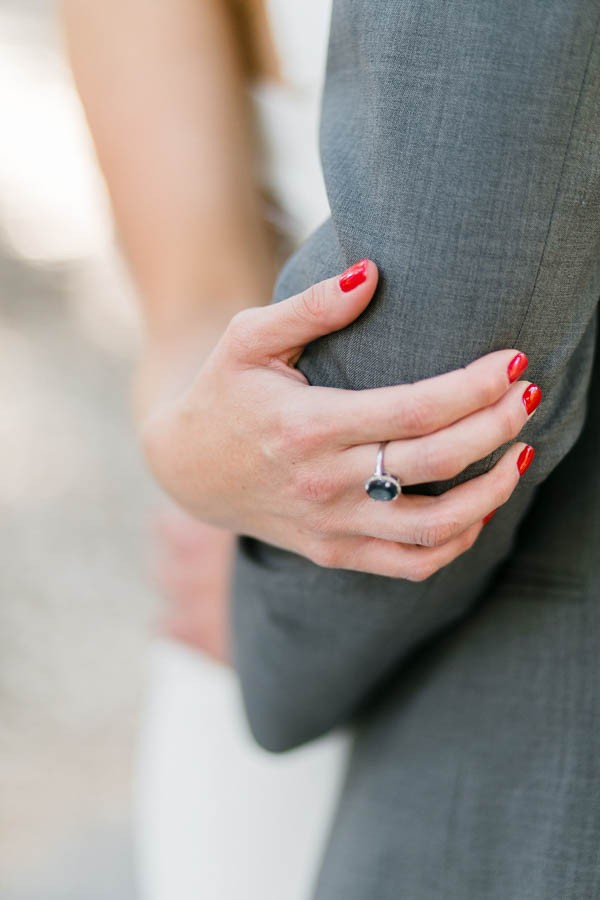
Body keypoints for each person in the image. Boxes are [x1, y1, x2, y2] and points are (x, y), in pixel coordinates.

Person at [60, 0, 599, 895]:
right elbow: (190, 313)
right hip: (259, 614)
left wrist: (270, 600)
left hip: (453, 634)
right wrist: (197, 459)